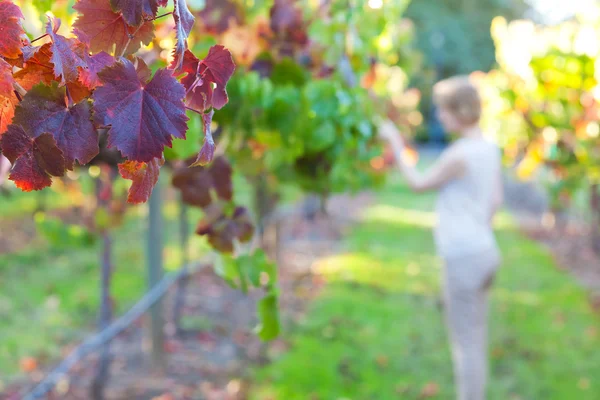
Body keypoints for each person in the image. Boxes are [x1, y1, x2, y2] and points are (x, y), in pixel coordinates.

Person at [379, 75, 503, 400]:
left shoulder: (459, 154)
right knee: (476, 337)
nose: (440, 116)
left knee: (465, 344)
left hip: (463, 256)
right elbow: (495, 201)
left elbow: (418, 184)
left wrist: (394, 141)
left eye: (443, 110)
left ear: (458, 110)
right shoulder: (489, 148)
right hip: (486, 251)